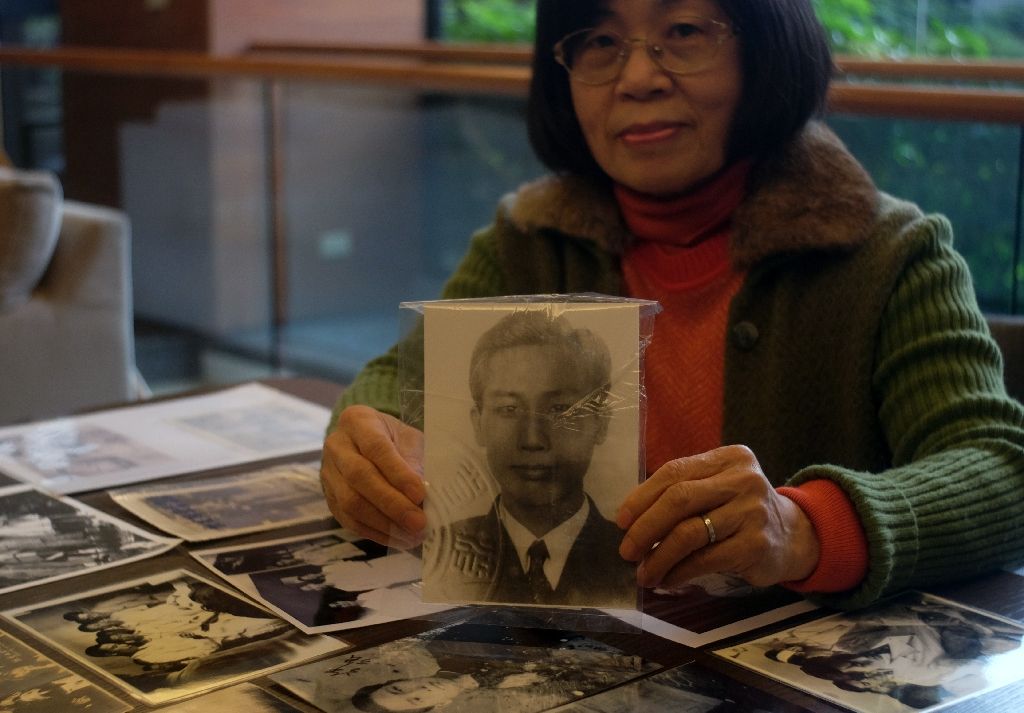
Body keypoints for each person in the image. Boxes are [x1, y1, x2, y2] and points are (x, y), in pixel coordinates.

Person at [320, 0, 1024, 610]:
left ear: (763, 50)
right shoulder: (528, 240)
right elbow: (395, 382)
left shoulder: (893, 257)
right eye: (599, 42)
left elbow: (1000, 468)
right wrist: (367, 442)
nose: (637, 77)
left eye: (684, 30)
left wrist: (800, 527)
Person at [424, 310, 636, 606]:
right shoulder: (441, 551)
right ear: (478, 425)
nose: (533, 440)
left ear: (600, 425)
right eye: (509, 410)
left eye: (559, 410)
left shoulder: (632, 556)